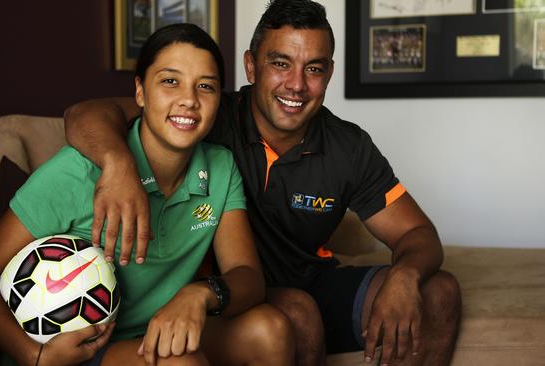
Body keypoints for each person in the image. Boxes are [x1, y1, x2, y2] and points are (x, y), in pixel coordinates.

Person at [63, 1, 463, 365]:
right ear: (251, 66)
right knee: (297, 310)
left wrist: (404, 277)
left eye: (314, 68)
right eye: (281, 64)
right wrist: (117, 165)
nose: (296, 85)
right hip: (230, 291)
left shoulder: (349, 146)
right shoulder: (206, 117)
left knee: (439, 292)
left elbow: (417, 233)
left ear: (329, 74)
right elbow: (86, 113)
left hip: (312, 279)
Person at [0, 23, 294, 366]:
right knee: (180, 364)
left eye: (205, 87)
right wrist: (35, 356)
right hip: (73, 352)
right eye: (170, 81)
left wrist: (200, 294)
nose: (189, 100)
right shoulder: (76, 171)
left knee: (271, 330)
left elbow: (248, 277)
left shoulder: (220, 167)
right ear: (140, 92)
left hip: (153, 329)